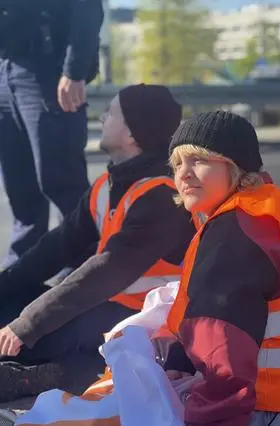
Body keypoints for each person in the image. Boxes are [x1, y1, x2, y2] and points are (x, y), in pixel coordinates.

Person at [0, 84, 196, 401]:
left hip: (149, 322)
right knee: (12, 308)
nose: (103, 117)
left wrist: (26, 326)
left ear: (132, 135)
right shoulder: (110, 183)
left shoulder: (161, 197)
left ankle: (58, 375)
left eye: (112, 112)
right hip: (106, 304)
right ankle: (53, 368)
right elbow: (55, 248)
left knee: (38, 331)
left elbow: (101, 273)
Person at [163, 111, 280, 425]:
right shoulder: (265, 212)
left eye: (199, 160)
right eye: (178, 164)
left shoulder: (235, 235)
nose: (185, 174)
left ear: (236, 168)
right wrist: (181, 356)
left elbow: (223, 363)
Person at [0, 0, 103, 269]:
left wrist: (75, 70)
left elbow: (87, 9)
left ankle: (81, 265)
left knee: (61, 180)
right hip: (5, 67)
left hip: (48, 70)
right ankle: (22, 268)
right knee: (19, 183)